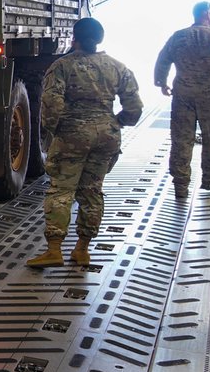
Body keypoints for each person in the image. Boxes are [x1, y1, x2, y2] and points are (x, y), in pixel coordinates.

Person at [27, 18, 142, 267]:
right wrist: (115, 123)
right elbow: (134, 107)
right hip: (106, 137)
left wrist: (53, 130)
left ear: (74, 38)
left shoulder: (62, 66)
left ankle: (54, 250)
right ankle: (82, 250)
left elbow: (51, 104)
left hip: (72, 135)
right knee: (92, 190)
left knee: (62, 189)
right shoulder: (117, 66)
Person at [153, 1, 210, 197]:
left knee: (181, 140)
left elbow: (163, 59)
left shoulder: (178, 37)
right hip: (209, 97)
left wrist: (162, 82)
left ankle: (181, 185)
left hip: (183, 96)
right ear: (206, 14)